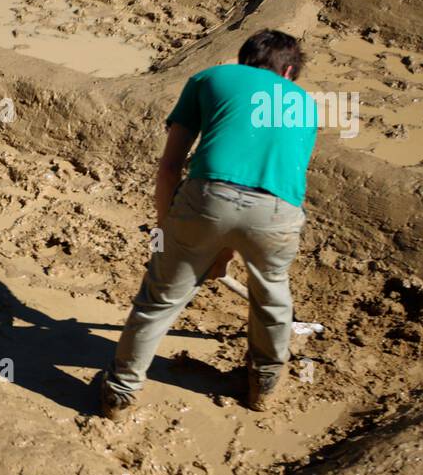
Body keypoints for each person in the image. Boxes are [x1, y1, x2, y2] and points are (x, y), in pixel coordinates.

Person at [99, 29, 319, 419]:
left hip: (208, 198)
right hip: (278, 215)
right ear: (288, 72)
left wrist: (168, 232)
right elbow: (262, 189)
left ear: (243, 58)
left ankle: (120, 392)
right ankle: (263, 387)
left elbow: (169, 167)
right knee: (272, 300)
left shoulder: (210, 78)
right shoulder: (306, 104)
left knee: (159, 301)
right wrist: (224, 250)